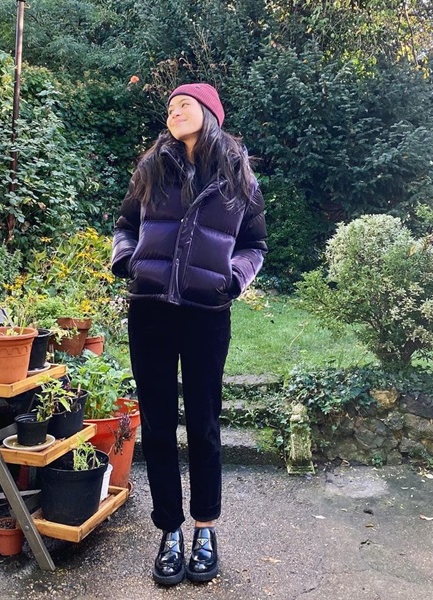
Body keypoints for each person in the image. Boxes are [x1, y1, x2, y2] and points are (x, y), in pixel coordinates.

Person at [110, 83, 267, 585]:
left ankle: (205, 529)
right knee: (157, 426)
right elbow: (125, 225)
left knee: (202, 425)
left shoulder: (236, 173)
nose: (174, 112)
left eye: (185, 105)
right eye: (170, 107)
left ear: (209, 114)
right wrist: (126, 260)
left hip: (206, 312)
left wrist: (234, 278)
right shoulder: (151, 167)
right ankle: (169, 532)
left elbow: (255, 243)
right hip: (150, 310)